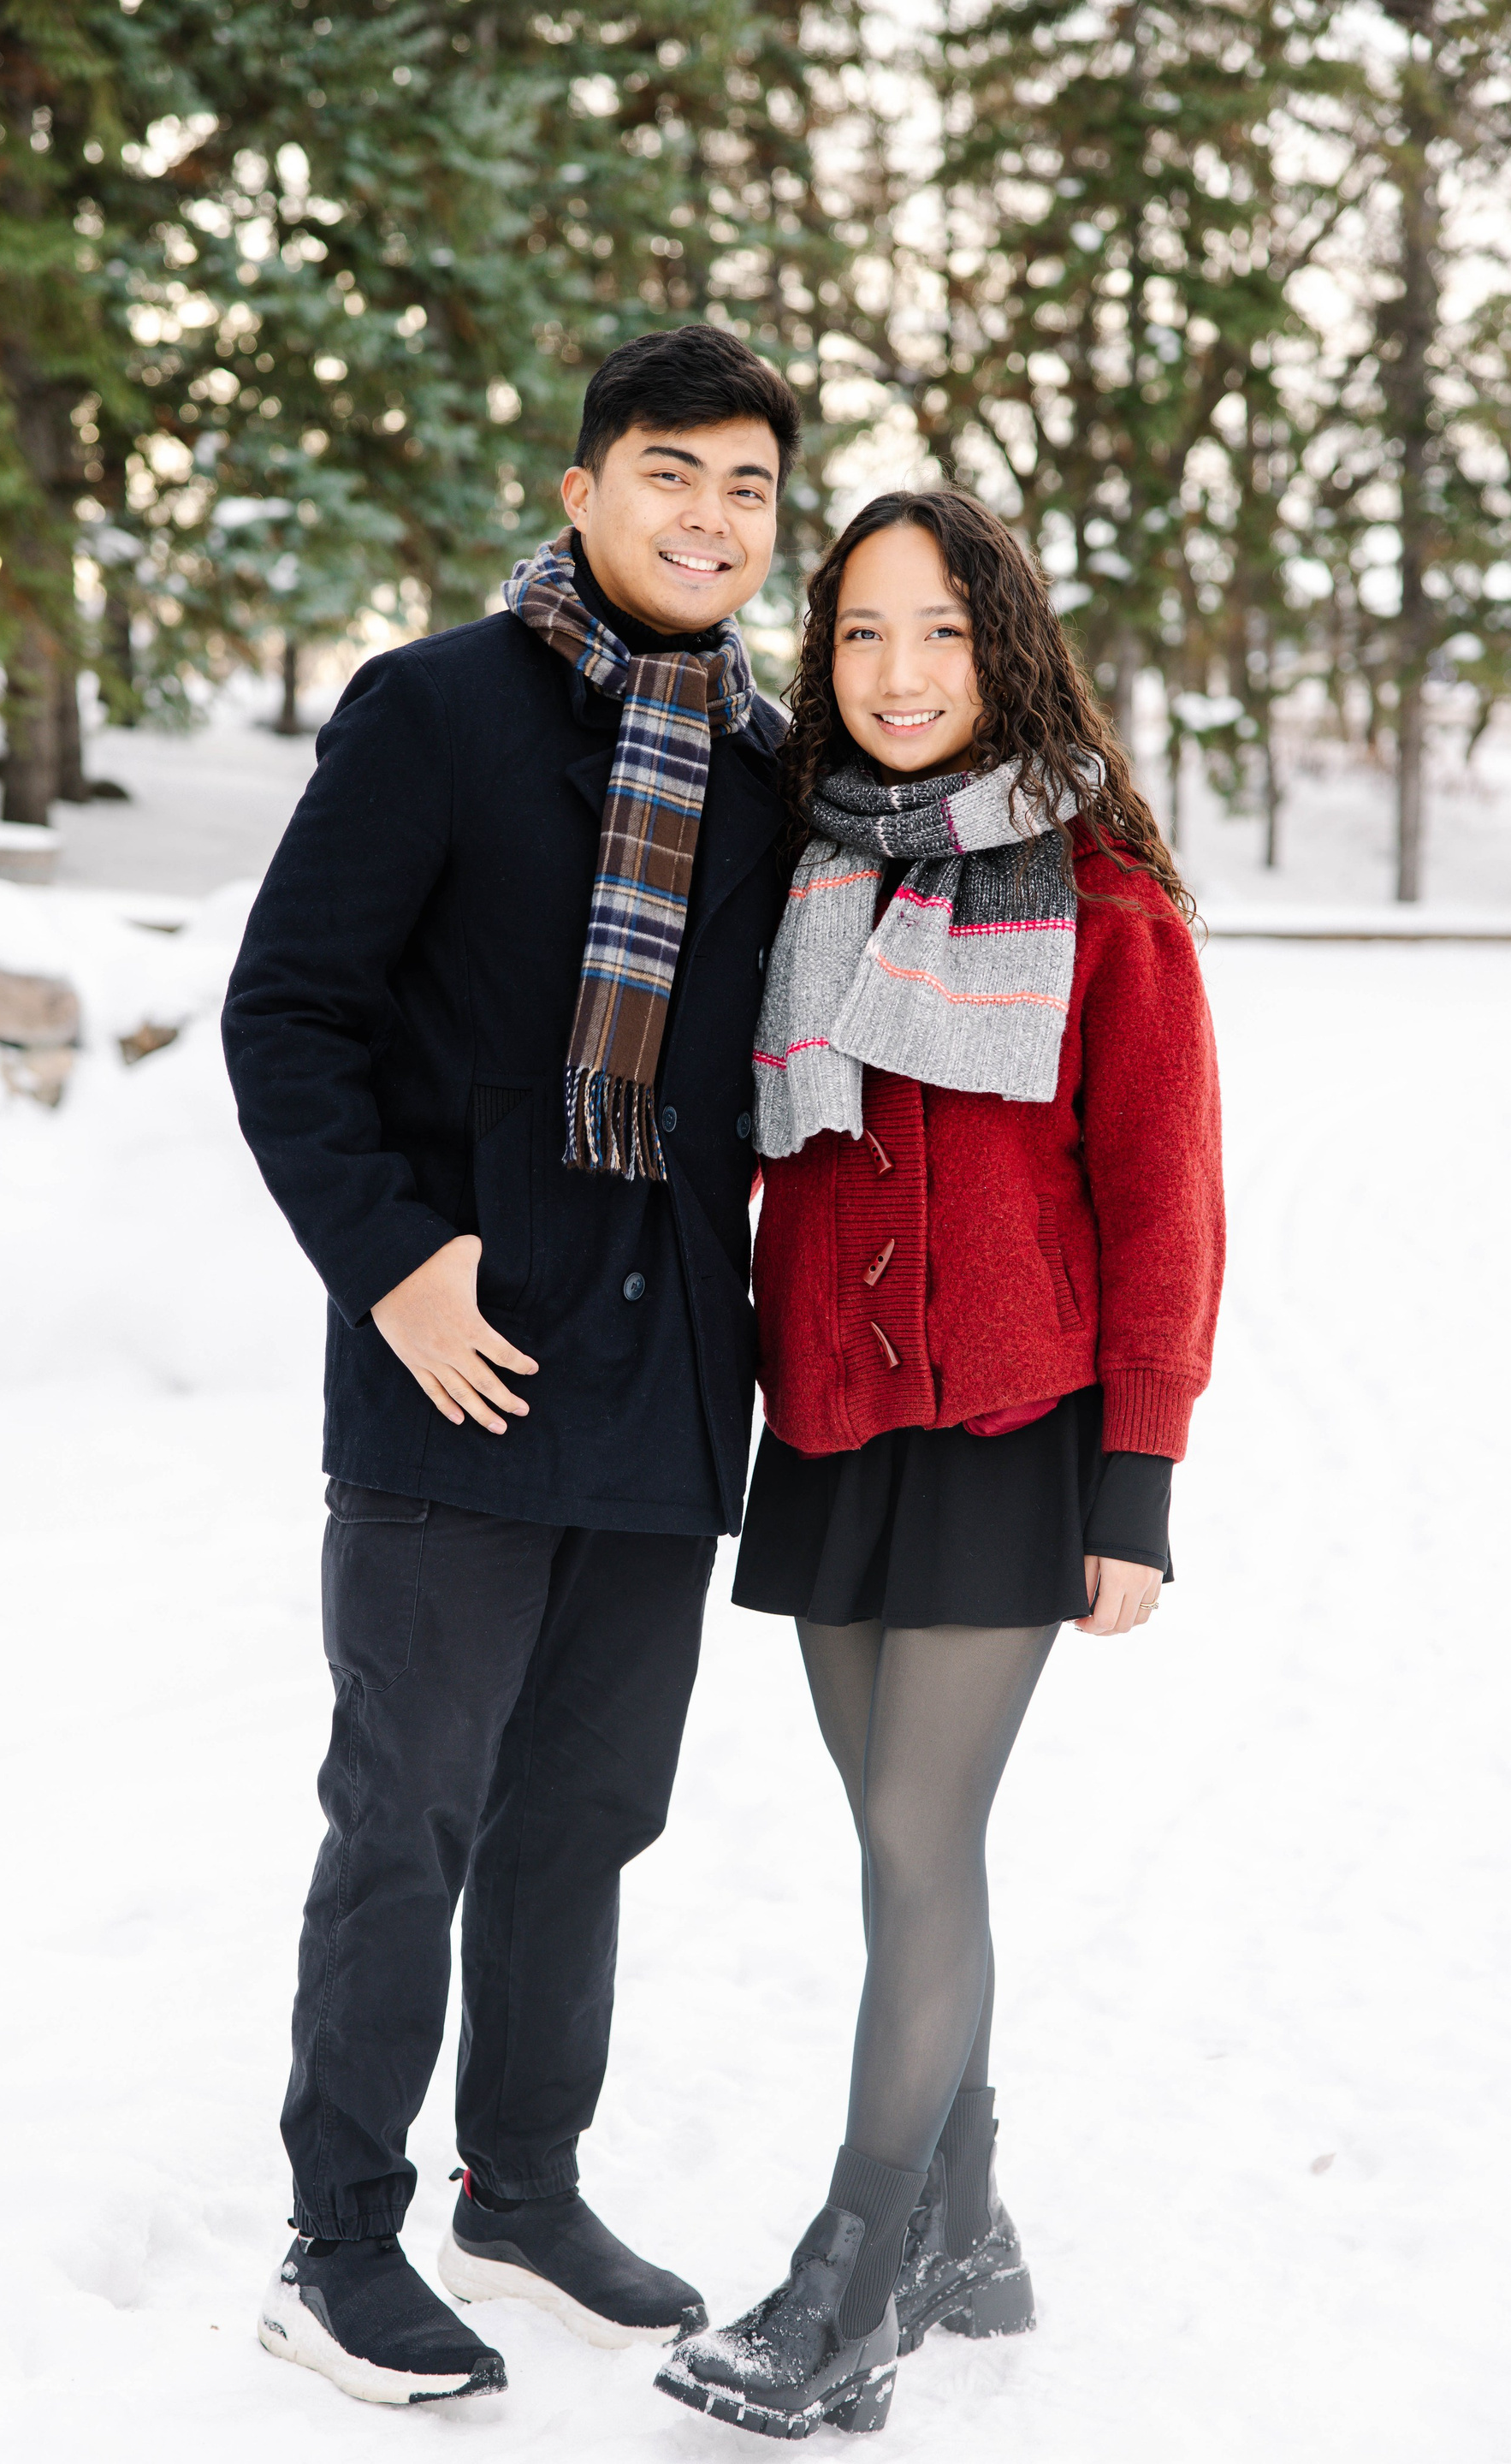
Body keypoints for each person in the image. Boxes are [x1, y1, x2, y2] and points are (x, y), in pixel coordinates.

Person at [222, 324, 802, 2409]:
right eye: (670, 473)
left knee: (587, 1817)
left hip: (665, 1379)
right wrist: (393, 1269)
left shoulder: (775, 766)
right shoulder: (439, 709)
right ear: (582, 490)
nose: (709, 518)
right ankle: (336, 2240)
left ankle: (523, 2188)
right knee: (413, 1814)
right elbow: (288, 1012)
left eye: (747, 487)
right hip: (460, 1366)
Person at [655, 489, 1224, 2440]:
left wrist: (1136, 1480)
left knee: (915, 1842)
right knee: (910, 1855)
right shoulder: (800, 874)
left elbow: (1168, 1209)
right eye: (862, 634)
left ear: (1009, 648)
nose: (899, 675)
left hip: (1010, 1424)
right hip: (828, 1420)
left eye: (942, 634)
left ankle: (849, 2282)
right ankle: (967, 2233)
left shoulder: (1109, 904)